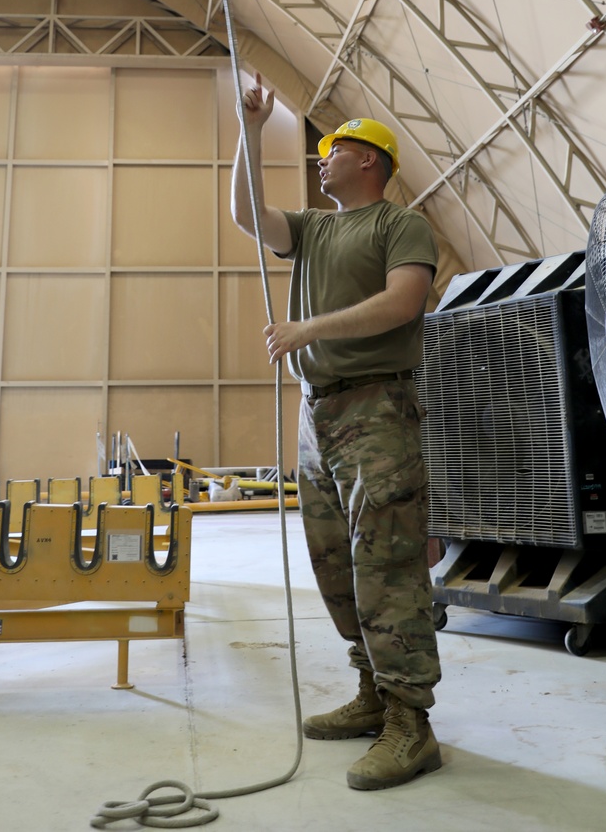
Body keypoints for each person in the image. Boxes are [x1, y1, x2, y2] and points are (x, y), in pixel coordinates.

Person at [231, 73, 442, 792]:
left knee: (386, 560)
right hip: (317, 414)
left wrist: (306, 330)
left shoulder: (399, 226)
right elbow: (245, 215)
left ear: (371, 161)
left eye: (336, 148)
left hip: (377, 409)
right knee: (333, 561)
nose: (323, 156)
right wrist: (253, 131)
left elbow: (401, 302)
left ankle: (411, 723)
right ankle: (372, 693)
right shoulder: (316, 228)